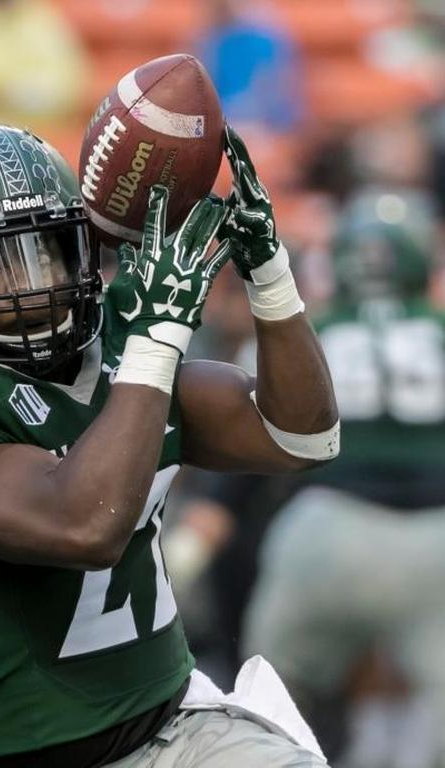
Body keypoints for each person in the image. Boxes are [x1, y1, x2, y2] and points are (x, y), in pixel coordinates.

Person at [0, 124, 340, 767]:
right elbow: (83, 525)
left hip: (183, 730)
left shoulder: (121, 355)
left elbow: (302, 435)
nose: (30, 283)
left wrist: (269, 276)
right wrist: (155, 346)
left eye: (46, 249)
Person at [243, 189, 445, 765]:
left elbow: (244, 443)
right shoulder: (438, 326)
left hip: (325, 530)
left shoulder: (312, 333)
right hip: (437, 541)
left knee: (269, 712)